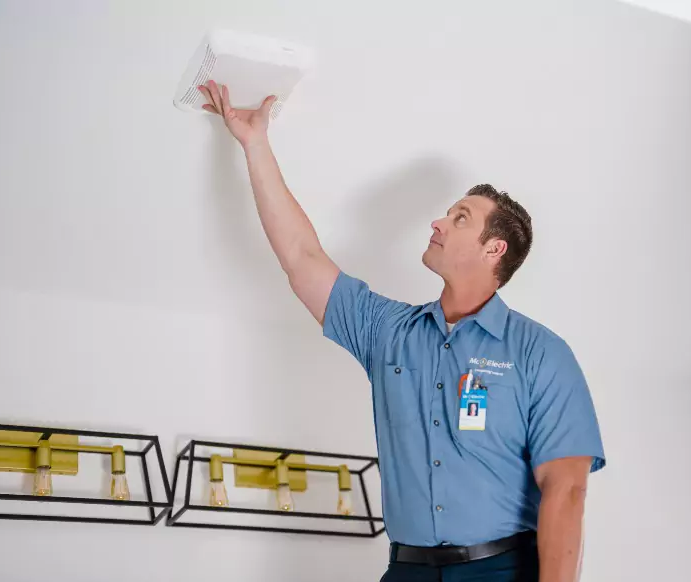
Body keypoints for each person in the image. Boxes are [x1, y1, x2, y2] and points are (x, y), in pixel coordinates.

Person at [197, 81, 605, 582]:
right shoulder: (389, 331)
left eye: (459, 218)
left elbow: (566, 490)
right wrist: (255, 143)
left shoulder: (541, 354)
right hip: (406, 568)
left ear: (493, 250)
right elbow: (302, 258)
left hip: (502, 570)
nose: (438, 221)